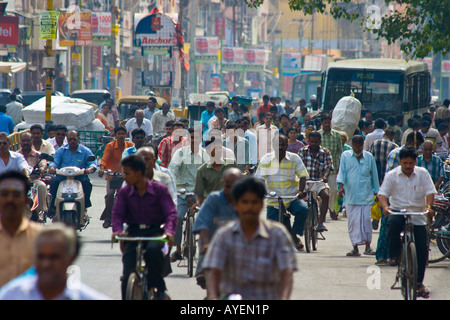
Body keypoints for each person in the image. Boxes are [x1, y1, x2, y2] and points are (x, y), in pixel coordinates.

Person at [202, 176, 297, 300]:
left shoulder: (277, 235)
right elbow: (213, 271)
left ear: (262, 204)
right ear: (235, 205)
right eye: (245, 202)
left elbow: (287, 273)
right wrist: (213, 296)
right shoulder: (224, 235)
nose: (249, 207)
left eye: (254, 202)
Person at [111, 155, 177, 300]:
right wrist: (117, 231)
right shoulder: (124, 192)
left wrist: (169, 232)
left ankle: (160, 291)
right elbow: (117, 214)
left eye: (127, 173)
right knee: (127, 274)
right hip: (133, 232)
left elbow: (171, 214)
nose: (124, 176)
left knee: (153, 253)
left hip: (155, 231)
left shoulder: (159, 190)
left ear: (138, 173)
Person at [378, 146, 436, 298]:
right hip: (398, 210)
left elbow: (430, 192)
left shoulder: (422, 174)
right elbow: (382, 194)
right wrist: (385, 207)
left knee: (423, 250)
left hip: (418, 213)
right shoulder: (392, 175)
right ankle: (395, 255)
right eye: (405, 163)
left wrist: (429, 207)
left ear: (415, 162)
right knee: (393, 223)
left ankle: (418, 283)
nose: (408, 166)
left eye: (411, 163)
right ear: (400, 162)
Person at [0, 223, 111, 300]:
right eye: (41, 257)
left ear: (71, 258)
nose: (46, 264)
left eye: (54, 257)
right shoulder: (10, 295)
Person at [255, 134, 309, 251]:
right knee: (272, 226)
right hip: (274, 199)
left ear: (287, 145)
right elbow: (259, 178)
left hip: (291, 197)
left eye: (283, 144)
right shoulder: (266, 159)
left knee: (303, 209)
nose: (280, 146)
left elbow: (303, 176)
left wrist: (300, 191)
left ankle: (294, 234)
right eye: (277, 144)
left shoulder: (294, 158)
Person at [193, 167, 242, 289]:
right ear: (222, 184)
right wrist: (206, 245)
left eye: (235, 186)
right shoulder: (213, 199)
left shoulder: (246, 200)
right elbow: (203, 223)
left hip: (237, 247)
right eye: (228, 186)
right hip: (212, 244)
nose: (231, 190)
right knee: (207, 280)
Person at [168, 126, 208, 263]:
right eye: (192, 138)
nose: (194, 140)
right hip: (182, 192)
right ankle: (178, 249)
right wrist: (172, 187)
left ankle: (203, 247)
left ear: (201, 139)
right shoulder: (180, 153)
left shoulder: (205, 155)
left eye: (197, 138)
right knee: (178, 217)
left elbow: (209, 173)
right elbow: (172, 170)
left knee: (206, 218)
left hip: (199, 192)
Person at [337, 135, 380, 257]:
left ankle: (368, 246)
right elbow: (342, 173)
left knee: (366, 221)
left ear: (363, 144)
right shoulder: (345, 156)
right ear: (352, 145)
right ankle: (355, 248)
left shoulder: (369, 157)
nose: (358, 148)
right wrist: (340, 187)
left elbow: (374, 175)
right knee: (353, 223)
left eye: (360, 145)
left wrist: (377, 192)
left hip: (366, 196)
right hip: (351, 196)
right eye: (355, 145)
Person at [0, 170, 41, 287]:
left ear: (26, 201)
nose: (10, 200)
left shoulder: (41, 237)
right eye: (4, 194)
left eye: (16, 195)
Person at [48, 130, 97, 219]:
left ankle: (85, 206)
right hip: (63, 176)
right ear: (67, 139)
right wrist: (52, 167)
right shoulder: (61, 150)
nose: (72, 141)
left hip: (80, 176)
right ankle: (52, 207)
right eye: (70, 139)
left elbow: (93, 162)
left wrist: (90, 168)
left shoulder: (85, 151)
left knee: (87, 184)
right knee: (54, 183)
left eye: (74, 139)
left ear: (78, 139)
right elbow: (54, 161)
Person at [98, 126, 134, 228]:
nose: (121, 136)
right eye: (119, 134)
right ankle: (108, 217)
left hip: (127, 176)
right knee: (109, 195)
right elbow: (104, 159)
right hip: (112, 175)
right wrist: (101, 168)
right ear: (115, 135)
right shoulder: (110, 146)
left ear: (126, 135)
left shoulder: (131, 146)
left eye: (123, 134)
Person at [298, 131, 333, 232]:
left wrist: (325, 176)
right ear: (308, 141)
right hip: (305, 181)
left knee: (326, 195)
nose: (314, 144)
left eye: (316, 142)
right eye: (312, 141)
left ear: (320, 141)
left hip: (319, 181)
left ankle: (321, 222)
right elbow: (298, 167)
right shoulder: (302, 151)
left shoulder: (325, 152)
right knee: (298, 198)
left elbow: (328, 167)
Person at [194, 136, 237, 207]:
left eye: (220, 148)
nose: (219, 151)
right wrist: (198, 204)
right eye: (215, 148)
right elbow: (200, 195)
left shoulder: (231, 164)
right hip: (211, 206)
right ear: (208, 151)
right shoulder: (201, 171)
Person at [318, 113, 343, 220]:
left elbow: (339, 152)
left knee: (333, 191)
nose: (327, 124)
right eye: (325, 122)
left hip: (333, 168)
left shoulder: (337, 135)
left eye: (329, 122)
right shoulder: (317, 134)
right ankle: (321, 211)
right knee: (320, 191)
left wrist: (339, 166)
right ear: (322, 123)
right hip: (319, 169)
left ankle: (332, 209)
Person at [17, 132, 48, 215]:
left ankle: (41, 211)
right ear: (20, 141)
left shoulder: (38, 155)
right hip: (20, 182)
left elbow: (43, 163)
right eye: (23, 141)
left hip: (34, 180)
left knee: (42, 186)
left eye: (28, 140)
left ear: (32, 141)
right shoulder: (16, 155)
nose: (26, 143)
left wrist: (41, 169)